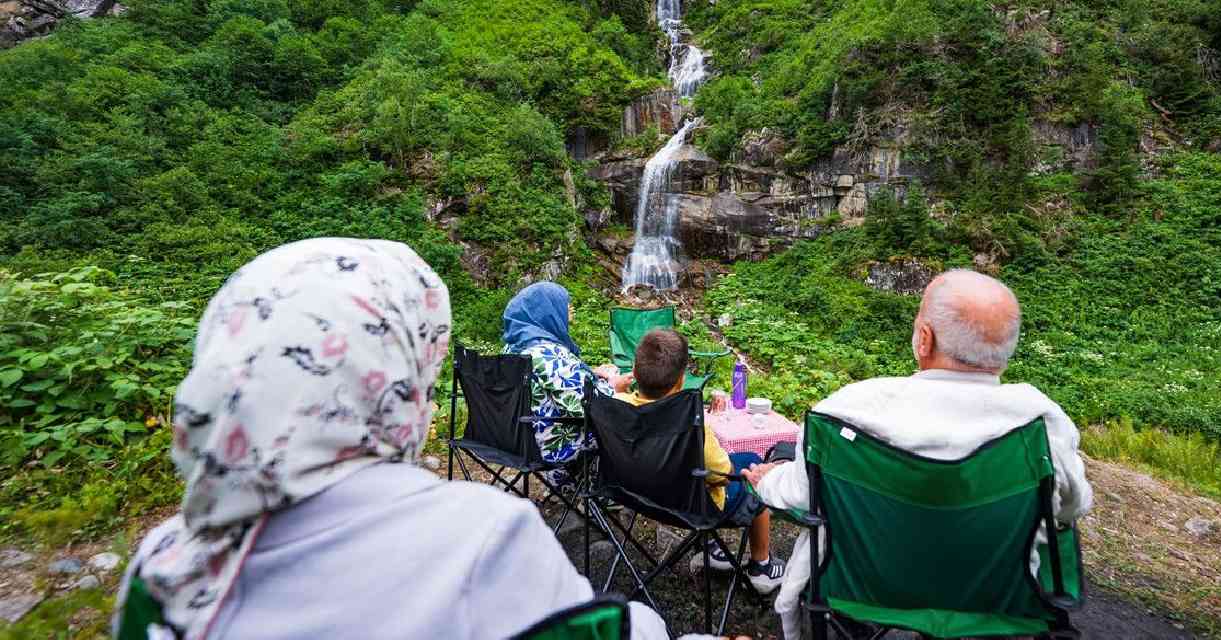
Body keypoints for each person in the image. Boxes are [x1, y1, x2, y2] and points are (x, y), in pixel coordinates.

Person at [112, 239, 668, 640]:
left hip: (513, 448)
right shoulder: (481, 539)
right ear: (393, 374)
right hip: (562, 452)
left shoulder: (159, 570)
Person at [743, 269, 1094, 639]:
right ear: (1005, 352)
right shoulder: (1041, 423)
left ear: (923, 339)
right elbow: (1072, 507)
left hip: (864, 588)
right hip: (995, 598)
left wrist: (767, 480)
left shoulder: (846, 411)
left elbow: (800, 495)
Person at [616, 329, 785, 595]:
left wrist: (617, 390)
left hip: (638, 493)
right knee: (752, 466)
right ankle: (761, 565)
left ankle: (710, 548)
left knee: (695, 471)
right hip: (692, 506)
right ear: (681, 381)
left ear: (634, 371)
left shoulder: (617, 406)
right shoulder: (692, 426)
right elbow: (721, 474)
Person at [502, 282, 631, 487]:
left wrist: (590, 373)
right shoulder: (549, 353)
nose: (570, 307)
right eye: (563, 303)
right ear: (545, 310)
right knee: (626, 420)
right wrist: (615, 385)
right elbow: (585, 407)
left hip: (515, 440)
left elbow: (548, 384)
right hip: (551, 446)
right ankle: (606, 491)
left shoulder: (514, 348)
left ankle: (568, 482)